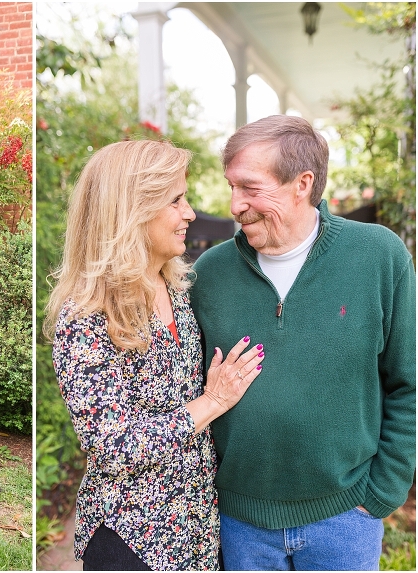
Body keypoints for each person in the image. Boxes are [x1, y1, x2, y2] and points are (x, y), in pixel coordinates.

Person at [190, 115, 416, 571]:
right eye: (231, 187)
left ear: (302, 183)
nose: (235, 205)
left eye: (250, 188)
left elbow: (408, 382)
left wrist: (382, 492)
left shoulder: (378, 257)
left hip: (345, 519)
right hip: (239, 523)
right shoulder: (208, 274)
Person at [45, 140, 265, 570]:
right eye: (176, 201)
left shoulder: (177, 290)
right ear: (132, 211)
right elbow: (111, 443)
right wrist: (212, 403)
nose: (190, 214)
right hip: (130, 538)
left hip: (197, 528)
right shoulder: (87, 315)